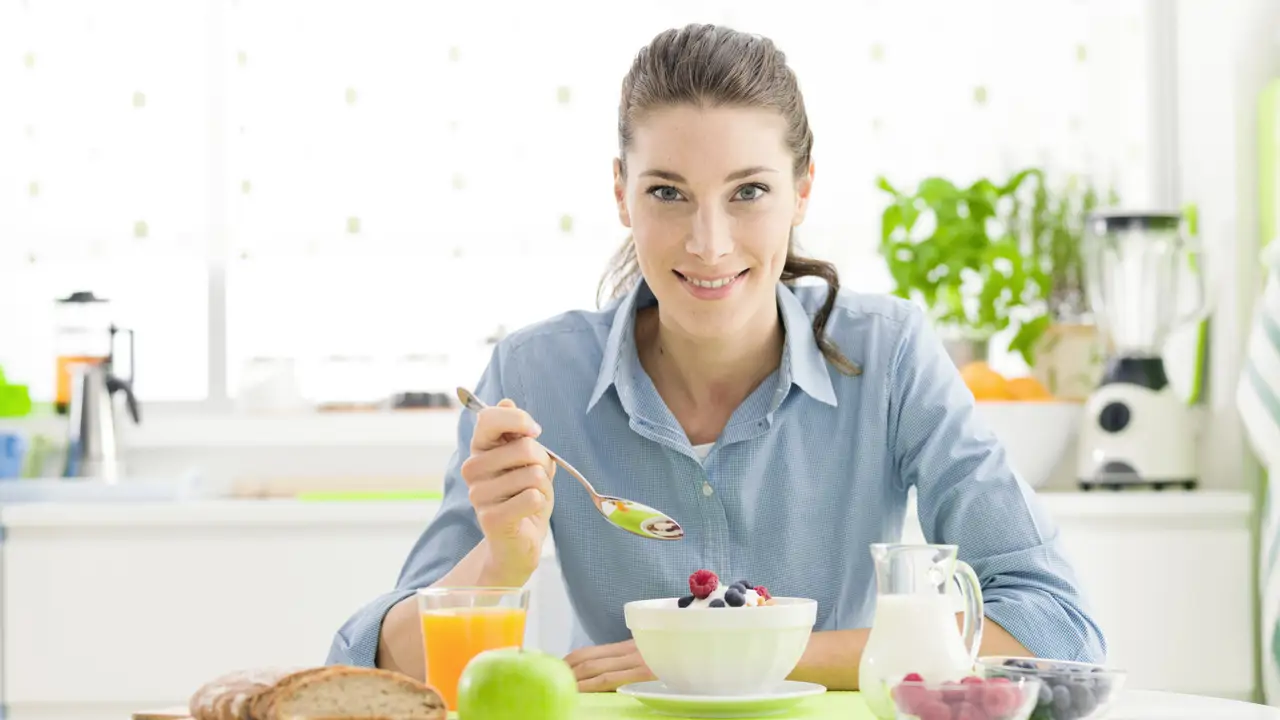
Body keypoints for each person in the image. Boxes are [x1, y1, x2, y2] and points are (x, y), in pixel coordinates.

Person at [326, 23, 1106, 692]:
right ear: (620, 194)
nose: (708, 243)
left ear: (802, 192)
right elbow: (372, 667)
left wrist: (736, 649)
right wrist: (498, 565)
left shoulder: (889, 355)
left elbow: (1055, 627)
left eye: (749, 192)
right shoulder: (534, 377)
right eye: (667, 192)